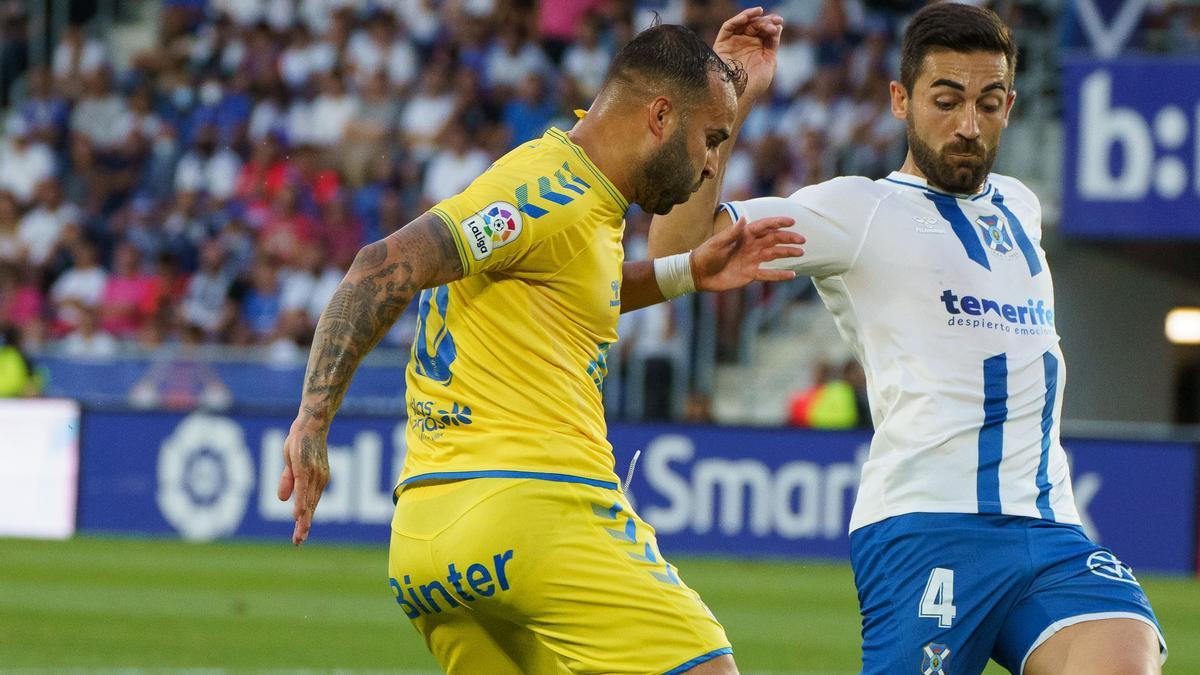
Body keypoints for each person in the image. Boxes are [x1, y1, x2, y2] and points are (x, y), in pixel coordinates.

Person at [650, 5, 1165, 674]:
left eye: (988, 102)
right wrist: (729, 100)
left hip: (1052, 530)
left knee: (1125, 655)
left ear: (1011, 104)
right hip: (926, 528)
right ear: (901, 100)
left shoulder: (1021, 205)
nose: (968, 125)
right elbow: (677, 243)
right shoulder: (856, 211)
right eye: (946, 100)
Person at [277, 10, 789, 674]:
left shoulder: (567, 192)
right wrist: (313, 417)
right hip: (535, 507)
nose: (711, 164)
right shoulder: (553, 191)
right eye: (711, 138)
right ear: (660, 116)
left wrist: (686, 272)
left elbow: (576, 289)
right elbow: (381, 264)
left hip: (427, 542)